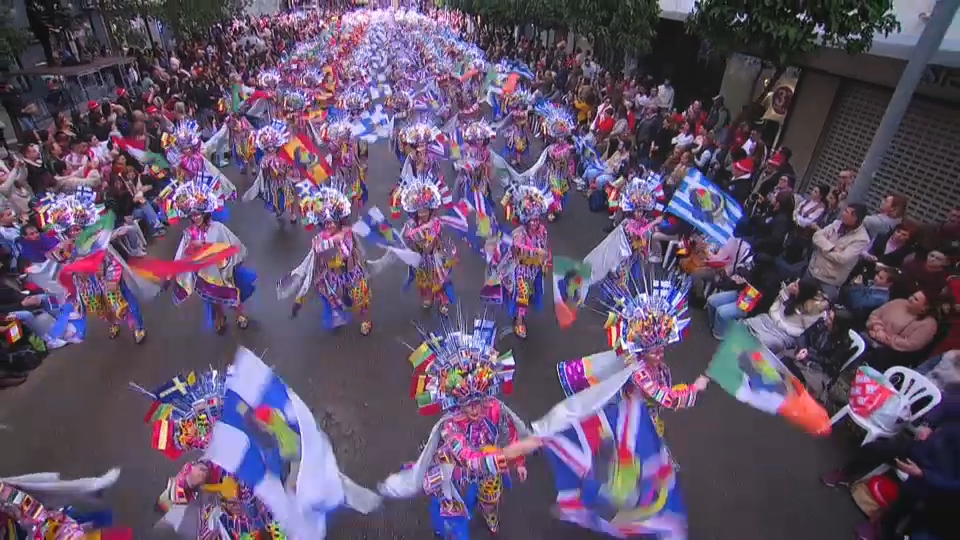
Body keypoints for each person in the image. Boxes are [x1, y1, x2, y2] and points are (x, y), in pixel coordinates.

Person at [378, 314, 529, 539]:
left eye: (478, 403)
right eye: (468, 405)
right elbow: (465, 454)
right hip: (460, 471)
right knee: (452, 507)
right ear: (458, 403)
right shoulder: (450, 426)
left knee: (491, 496)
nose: (475, 410)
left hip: (491, 465)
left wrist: (518, 462)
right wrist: (492, 459)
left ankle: (490, 513)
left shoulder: (495, 408)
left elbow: (509, 433)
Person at [556, 262, 709, 445]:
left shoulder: (656, 366)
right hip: (633, 413)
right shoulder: (639, 371)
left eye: (661, 349)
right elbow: (664, 396)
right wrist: (694, 388)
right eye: (654, 351)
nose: (660, 355)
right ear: (643, 352)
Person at [821, 398, 960, 540]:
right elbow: (946, 406)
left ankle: (880, 525)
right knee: (879, 448)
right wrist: (928, 425)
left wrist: (923, 474)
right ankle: (846, 473)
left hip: (939, 479)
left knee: (910, 496)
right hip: (924, 450)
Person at [281, 180, 373, 335]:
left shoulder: (347, 233)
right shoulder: (320, 238)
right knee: (333, 299)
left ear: (339, 222)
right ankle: (338, 317)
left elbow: (346, 252)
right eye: (326, 223)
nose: (329, 226)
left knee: (360, 298)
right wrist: (332, 241)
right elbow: (318, 249)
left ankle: (365, 320)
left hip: (352, 273)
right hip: (333, 277)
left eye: (333, 223)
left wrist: (337, 239)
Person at [169, 178, 255, 334]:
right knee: (212, 299)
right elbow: (182, 253)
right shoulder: (189, 234)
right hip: (204, 273)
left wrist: (216, 252)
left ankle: (240, 315)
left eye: (198, 214)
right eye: (193, 215)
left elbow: (231, 244)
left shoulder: (217, 227)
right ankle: (219, 318)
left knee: (231, 292)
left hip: (222, 269)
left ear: (204, 213)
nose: (196, 218)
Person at [398, 170, 458, 317]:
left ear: (430, 210)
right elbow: (408, 244)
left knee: (440, 280)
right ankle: (427, 297)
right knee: (423, 281)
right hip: (421, 259)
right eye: (419, 210)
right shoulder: (411, 225)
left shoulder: (435, 224)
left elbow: (429, 247)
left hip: (436, 256)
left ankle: (443, 301)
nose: (422, 213)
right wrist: (412, 244)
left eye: (425, 210)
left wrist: (423, 240)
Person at [496, 184, 552, 338]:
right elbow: (518, 252)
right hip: (520, 271)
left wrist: (545, 261)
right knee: (522, 296)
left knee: (531, 294)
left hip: (534, 270)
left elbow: (545, 247)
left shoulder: (542, 231)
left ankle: (521, 315)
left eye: (537, 220)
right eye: (531, 220)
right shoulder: (518, 234)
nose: (534, 223)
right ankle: (519, 321)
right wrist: (536, 253)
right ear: (526, 220)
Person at [743, 278, 829, 354]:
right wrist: (786, 291)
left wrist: (780, 325)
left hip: (783, 335)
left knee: (762, 343)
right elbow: (773, 310)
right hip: (769, 320)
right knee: (745, 325)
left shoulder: (816, 312)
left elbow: (800, 333)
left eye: (796, 286)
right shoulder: (791, 291)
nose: (793, 286)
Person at [808, 203, 871, 300]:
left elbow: (843, 259)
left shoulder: (862, 238)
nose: (842, 214)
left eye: (847, 212)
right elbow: (817, 236)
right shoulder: (836, 224)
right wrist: (831, 248)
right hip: (812, 271)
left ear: (855, 218)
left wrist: (822, 249)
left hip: (829, 281)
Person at [243, 121, 298, 224]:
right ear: (265, 148)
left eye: (273, 148)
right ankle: (279, 210)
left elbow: (291, 166)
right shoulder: (264, 160)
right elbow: (264, 173)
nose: (271, 150)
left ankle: (292, 214)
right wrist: (263, 185)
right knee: (275, 200)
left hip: (285, 180)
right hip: (272, 184)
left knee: (291, 196)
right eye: (268, 148)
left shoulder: (283, 156)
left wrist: (289, 171)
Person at [866, 290, 939, 360]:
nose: (910, 299)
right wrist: (878, 329)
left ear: (925, 307)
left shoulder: (929, 324)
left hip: (891, 353)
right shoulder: (899, 302)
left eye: (915, 299)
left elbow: (910, 344)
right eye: (912, 296)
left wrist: (884, 338)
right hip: (871, 333)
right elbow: (875, 314)